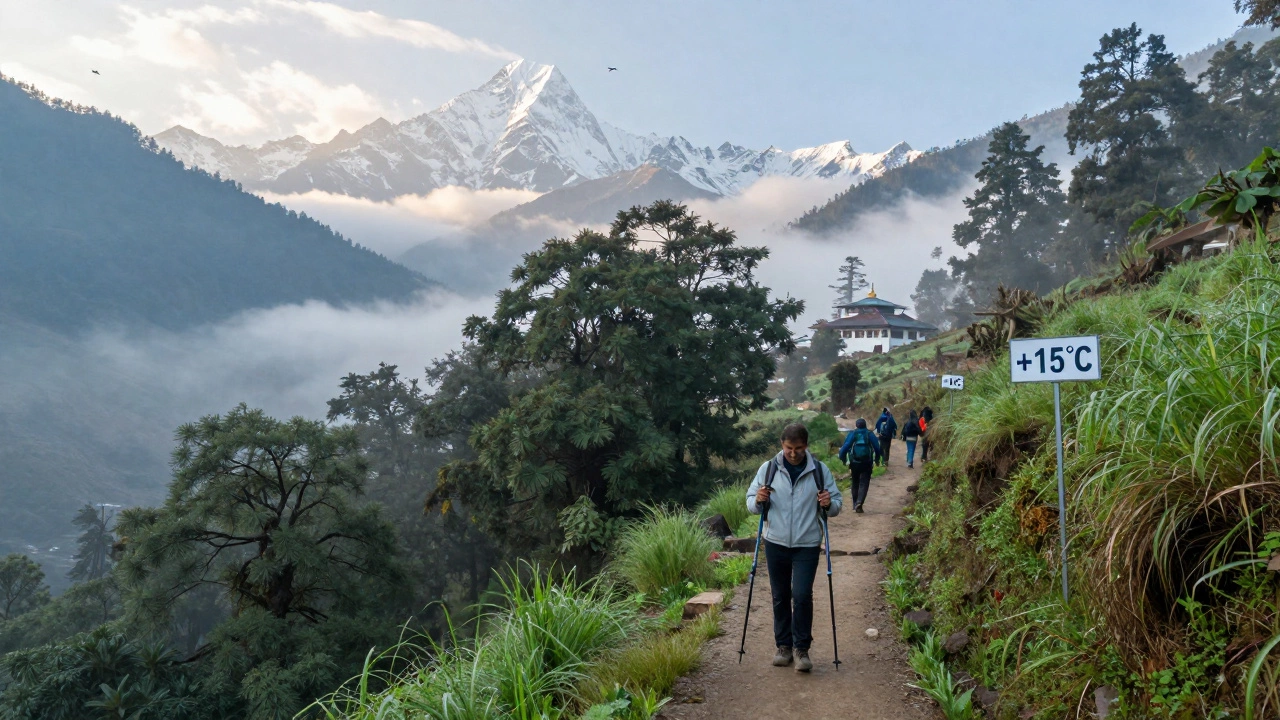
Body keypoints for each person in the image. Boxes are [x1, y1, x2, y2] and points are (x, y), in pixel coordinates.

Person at [745, 422, 843, 673]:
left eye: (798, 448)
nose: (793, 453)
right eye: (789, 447)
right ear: (782, 445)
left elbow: (836, 506)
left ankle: (801, 649)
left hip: (807, 544)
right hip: (775, 542)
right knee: (779, 597)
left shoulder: (819, 470)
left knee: (801, 596)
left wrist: (828, 503)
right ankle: (783, 647)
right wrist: (758, 500)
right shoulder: (768, 469)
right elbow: (751, 502)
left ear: (806, 446)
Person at [838, 418, 881, 514]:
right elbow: (877, 448)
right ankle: (859, 502)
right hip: (867, 462)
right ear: (865, 425)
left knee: (855, 482)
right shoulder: (869, 434)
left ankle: (854, 503)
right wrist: (877, 459)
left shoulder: (853, 434)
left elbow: (845, 447)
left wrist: (843, 459)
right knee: (864, 483)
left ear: (856, 425)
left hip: (855, 462)